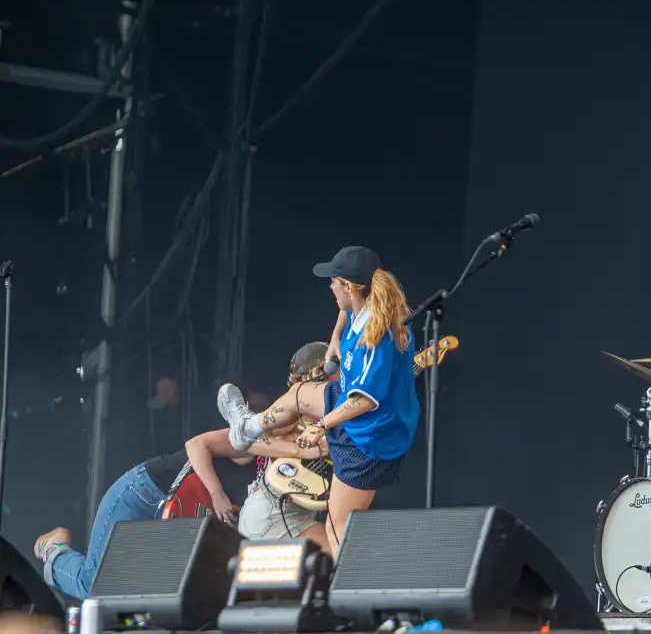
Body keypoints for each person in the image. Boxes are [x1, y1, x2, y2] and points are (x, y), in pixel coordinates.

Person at [217, 246, 419, 555]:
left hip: (369, 440)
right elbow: (344, 310)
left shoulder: (377, 336)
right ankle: (248, 427)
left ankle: (341, 597)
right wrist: (336, 338)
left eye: (334, 281)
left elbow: (365, 401)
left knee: (335, 531)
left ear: (350, 287)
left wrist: (322, 426)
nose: (330, 286)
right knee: (302, 394)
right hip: (361, 419)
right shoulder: (361, 305)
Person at [31, 388, 265, 601]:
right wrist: (217, 493)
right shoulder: (258, 442)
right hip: (145, 494)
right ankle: (54, 550)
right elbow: (195, 445)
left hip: (173, 526)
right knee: (92, 583)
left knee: (134, 598)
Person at [187, 342, 340, 553]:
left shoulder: (327, 411)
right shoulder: (299, 413)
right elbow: (248, 445)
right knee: (339, 563)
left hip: (283, 515)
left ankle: (247, 423)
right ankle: (247, 423)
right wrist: (301, 450)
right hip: (274, 514)